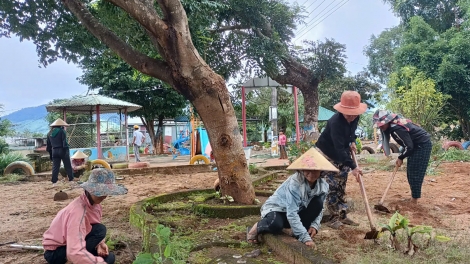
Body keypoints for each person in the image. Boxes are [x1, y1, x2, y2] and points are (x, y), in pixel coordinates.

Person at [246, 148, 337, 248]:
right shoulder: (295, 183)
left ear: (321, 171)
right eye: (308, 169)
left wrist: (314, 225)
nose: (311, 173)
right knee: (275, 225)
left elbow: (320, 209)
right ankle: (256, 228)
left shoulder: (323, 186)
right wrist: (305, 238)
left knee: (318, 203)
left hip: (298, 210)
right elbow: (291, 213)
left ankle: (297, 232)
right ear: (302, 169)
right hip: (278, 209)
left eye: (315, 170)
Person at [42, 168, 128, 264]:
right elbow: (73, 252)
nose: (104, 195)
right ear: (89, 189)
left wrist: (100, 243)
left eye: (106, 192)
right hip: (57, 252)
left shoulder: (96, 206)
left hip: (71, 244)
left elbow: (92, 228)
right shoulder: (78, 212)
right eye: (100, 191)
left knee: (107, 251)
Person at [315, 90, 367, 229]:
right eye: (348, 113)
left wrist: (352, 141)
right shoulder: (335, 123)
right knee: (332, 185)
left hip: (342, 152)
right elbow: (338, 149)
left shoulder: (355, 117)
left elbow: (351, 133)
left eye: (354, 113)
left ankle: (342, 215)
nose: (351, 117)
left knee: (341, 184)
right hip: (326, 154)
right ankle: (333, 218)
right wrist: (354, 167)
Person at [373, 110, 432, 204]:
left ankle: (414, 201)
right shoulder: (393, 125)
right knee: (410, 172)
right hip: (416, 145)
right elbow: (407, 143)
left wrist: (401, 157)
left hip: (422, 145)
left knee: (415, 173)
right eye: (379, 125)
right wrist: (402, 154)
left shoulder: (397, 129)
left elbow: (409, 147)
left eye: (382, 125)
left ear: (388, 121)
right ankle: (414, 198)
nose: (381, 127)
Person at [46, 118, 75, 187]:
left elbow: (48, 146)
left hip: (54, 151)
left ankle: (54, 182)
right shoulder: (62, 131)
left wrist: (51, 153)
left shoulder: (49, 133)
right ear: (60, 125)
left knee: (55, 167)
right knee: (67, 165)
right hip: (62, 150)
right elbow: (64, 143)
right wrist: (66, 149)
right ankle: (71, 180)